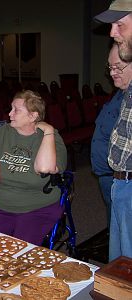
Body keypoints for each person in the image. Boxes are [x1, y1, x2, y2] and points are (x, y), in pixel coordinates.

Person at [0, 90, 67, 245]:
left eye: (16, 110)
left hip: (35, 209)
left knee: (19, 253)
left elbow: (45, 167)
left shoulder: (50, 137)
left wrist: (47, 131)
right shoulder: (5, 132)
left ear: (33, 116)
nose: (10, 114)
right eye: (11, 109)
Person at [95, 0, 132, 260]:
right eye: (110, 68)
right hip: (118, 183)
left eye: (120, 24)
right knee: (120, 265)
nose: (112, 32)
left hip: (126, 184)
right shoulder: (123, 94)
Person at [91, 43, 132, 228]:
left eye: (118, 67)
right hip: (109, 177)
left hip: (122, 179)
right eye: (110, 67)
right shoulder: (120, 93)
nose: (112, 72)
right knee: (115, 225)